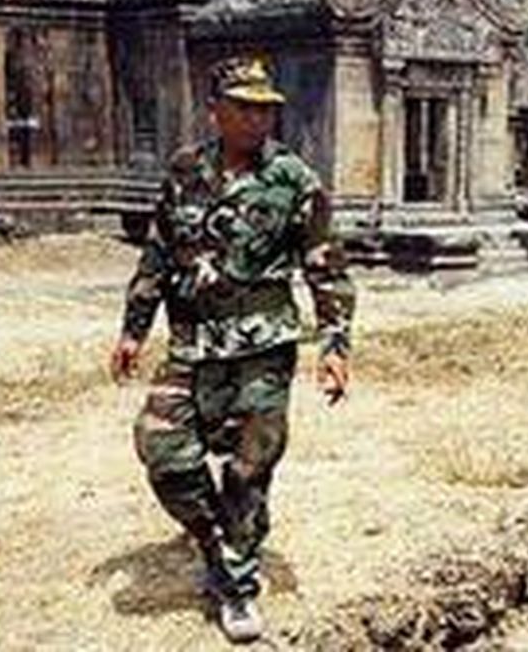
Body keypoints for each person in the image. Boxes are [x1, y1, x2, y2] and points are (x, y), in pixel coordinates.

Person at [109, 56, 355, 644]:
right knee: (164, 454)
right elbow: (159, 255)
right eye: (243, 107)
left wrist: (335, 343)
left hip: (262, 352)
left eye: (265, 108)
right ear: (214, 110)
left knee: (249, 471)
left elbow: (327, 268)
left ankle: (236, 587)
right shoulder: (185, 171)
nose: (257, 118)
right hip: (191, 346)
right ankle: (215, 539)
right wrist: (133, 329)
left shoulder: (295, 179)